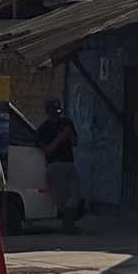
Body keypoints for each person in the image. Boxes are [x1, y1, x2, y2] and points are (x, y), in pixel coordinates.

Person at [38, 97, 84, 232]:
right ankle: (67, 225)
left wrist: (69, 135)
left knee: (74, 196)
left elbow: (75, 142)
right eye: (54, 112)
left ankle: (70, 223)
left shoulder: (66, 123)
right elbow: (47, 150)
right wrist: (60, 138)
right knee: (62, 199)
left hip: (68, 163)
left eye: (58, 111)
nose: (57, 115)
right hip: (55, 165)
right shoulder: (44, 129)